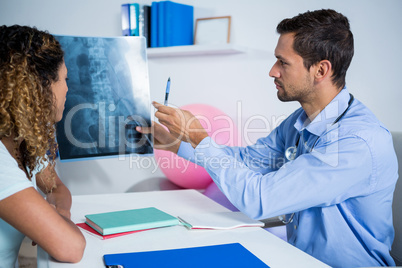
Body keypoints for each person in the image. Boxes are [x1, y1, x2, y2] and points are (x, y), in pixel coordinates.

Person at [138, 9, 398, 267]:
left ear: (321, 70)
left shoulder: (358, 142)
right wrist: (176, 144)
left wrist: (200, 137)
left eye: (283, 62)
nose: (272, 71)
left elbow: (261, 200)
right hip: (296, 259)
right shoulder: (300, 121)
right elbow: (249, 160)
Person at [0, 25, 86, 267]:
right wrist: (56, 226)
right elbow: (70, 247)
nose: (68, 88)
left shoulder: (19, 141)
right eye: (64, 79)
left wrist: (60, 214)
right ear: (40, 85)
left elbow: (55, 186)